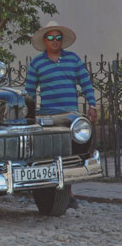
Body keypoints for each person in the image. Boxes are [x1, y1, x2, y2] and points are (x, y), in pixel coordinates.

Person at [25, 21, 98, 209]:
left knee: (70, 152)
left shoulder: (73, 60)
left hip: (70, 115)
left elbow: (85, 82)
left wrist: (92, 104)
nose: (55, 41)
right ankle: (50, 189)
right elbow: (30, 92)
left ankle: (68, 191)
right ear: (45, 41)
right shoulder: (37, 63)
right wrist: (29, 114)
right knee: (50, 152)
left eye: (58, 37)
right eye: (51, 37)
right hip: (48, 116)